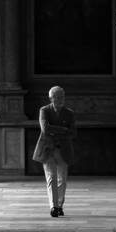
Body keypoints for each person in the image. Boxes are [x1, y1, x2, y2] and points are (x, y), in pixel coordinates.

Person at [31, 86, 76, 217]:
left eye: (62, 96)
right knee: (51, 177)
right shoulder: (44, 110)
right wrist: (64, 130)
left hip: (64, 150)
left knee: (62, 179)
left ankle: (60, 205)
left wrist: (54, 130)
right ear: (51, 98)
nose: (60, 99)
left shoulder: (69, 113)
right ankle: (53, 207)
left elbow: (73, 132)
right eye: (57, 97)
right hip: (48, 149)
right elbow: (45, 129)